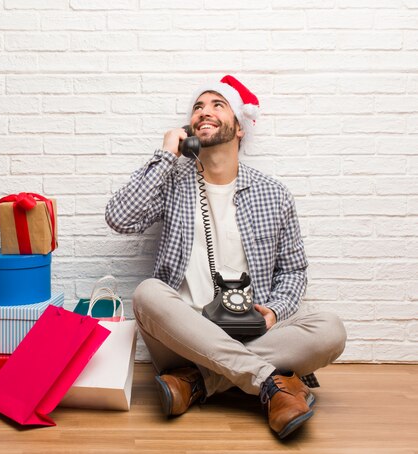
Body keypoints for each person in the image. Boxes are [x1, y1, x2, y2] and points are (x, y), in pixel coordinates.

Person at [105, 75, 346, 439]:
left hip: (251, 332)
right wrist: (166, 154)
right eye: (198, 107)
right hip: (184, 336)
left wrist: (276, 311)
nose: (205, 111)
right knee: (147, 293)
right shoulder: (171, 182)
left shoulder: (273, 194)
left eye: (218, 105)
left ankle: (198, 382)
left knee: (331, 329)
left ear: (240, 128)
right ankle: (270, 382)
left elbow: (294, 271)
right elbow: (119, 217)